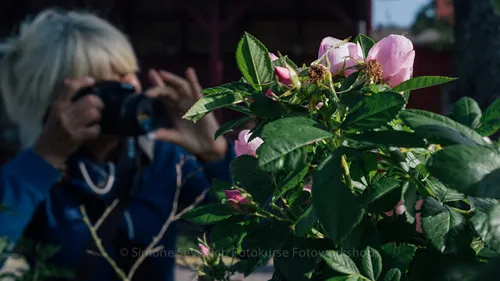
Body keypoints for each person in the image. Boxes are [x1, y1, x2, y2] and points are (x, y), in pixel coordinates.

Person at [0, 9, 235, 281]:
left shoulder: (163, 159)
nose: (126, 92)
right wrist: (44, 158)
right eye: (104, 86)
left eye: (126, 75)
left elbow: (253, 245)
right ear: (55, 101)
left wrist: (216, 156)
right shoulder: (37, 177)